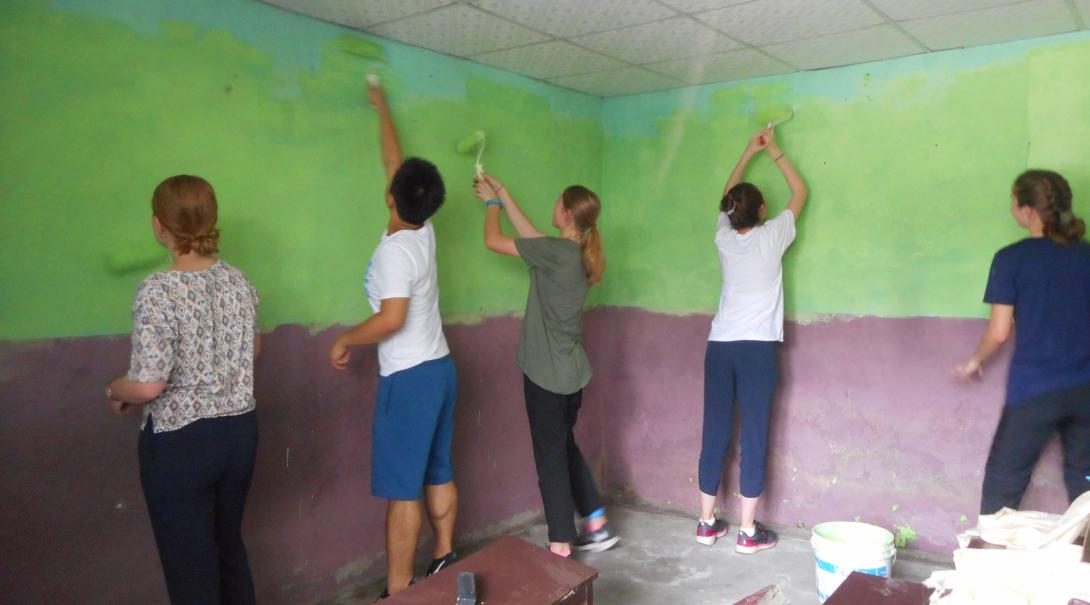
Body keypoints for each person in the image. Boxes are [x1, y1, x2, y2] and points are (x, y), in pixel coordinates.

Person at [328, 79, 458, 599]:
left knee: (402, 489)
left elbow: (391, 318)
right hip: (442, 368)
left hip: (409, 377)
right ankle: (445, 555)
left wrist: (346, 339)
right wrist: (382, 108)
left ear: (391, 197)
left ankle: (399, 590)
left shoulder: (393, 253)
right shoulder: (423, 228)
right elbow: (395, 164)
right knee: (438, 468)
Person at [104, 174, 261, 604]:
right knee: (229, 550)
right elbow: (252, 354)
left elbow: (149, 384)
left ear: (159, 226)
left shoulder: (158, 290)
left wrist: (114, 389)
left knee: (190, 569)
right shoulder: (239, 282)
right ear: (212, 219)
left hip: (182, 442)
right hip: (239, 434)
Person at [472, 173, 620, 557]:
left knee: (550, 459)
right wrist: (503, 192)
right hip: (571, 377)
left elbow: (492, 241)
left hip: (546, 378)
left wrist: (491, 207)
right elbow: (536, 238)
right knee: (564, 446)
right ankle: (596, 521)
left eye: (557, 203)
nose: (552, 207)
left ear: (567, 213)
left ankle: (561, 544)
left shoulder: (555, 252)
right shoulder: (573, 254)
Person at [696, 127, 807, 554]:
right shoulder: (773, 235)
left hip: (719, 346)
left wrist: (746, 152)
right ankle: (747, 532)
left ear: (730, 212)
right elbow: (801, 190)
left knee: (715, 432)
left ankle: (706, 524)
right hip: (757, 348)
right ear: (762, 210)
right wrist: (774, 151)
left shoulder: (724, 238)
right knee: (754, 434)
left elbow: (728, 196)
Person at [954, 169, 1090, 514]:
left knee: (1004, 484)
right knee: (1084, 487)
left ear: (1028, 211)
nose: (1012, 209)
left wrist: (975, 359)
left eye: (1014, 202)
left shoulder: (1012, 258)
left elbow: (999, 332)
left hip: (1034, 391)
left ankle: (989, 562)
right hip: (1086, 392)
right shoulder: (1086, 255)